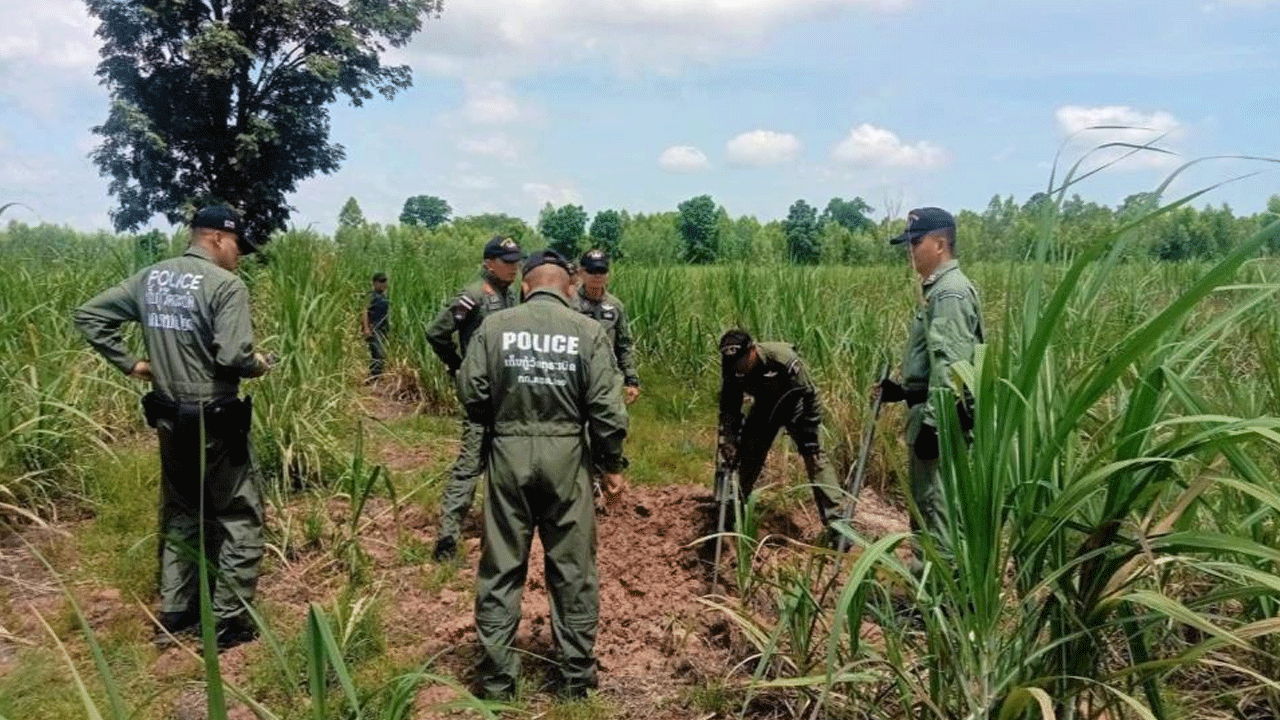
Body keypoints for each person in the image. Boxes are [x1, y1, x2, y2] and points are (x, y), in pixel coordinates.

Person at [73, 205, 272, 651]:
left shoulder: (151, 278)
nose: (240, 255)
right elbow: (233, 356)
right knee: (239, 514)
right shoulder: (226, 285)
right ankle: (228, 621)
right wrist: (259, 364)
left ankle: (177, 610)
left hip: (167, 415)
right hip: (215, 418)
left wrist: (132, 364)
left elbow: (89, 315)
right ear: (217, 238)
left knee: (182, 509)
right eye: (237, 245)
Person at [459, 249, 628, 699]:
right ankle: (575, 680)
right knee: (573, 570)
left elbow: (472, 394)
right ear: (569, 289)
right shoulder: (588, 331)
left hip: (508, 452)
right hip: (567, 455)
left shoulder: (494, 327)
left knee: (501, 568)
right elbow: (607, 411)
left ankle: (497, 682)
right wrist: (611, 465)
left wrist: (503, 419)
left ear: (526, 287)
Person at [876, 207, 984, 535]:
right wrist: (904, 391)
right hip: (931, 411)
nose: (910, 251)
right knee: (928, 508)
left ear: (939, 244)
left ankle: (935, 570)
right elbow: (938, 361)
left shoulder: (949, 292)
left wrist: (934, 427)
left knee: (937, 512)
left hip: (942, 421)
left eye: (915, 242)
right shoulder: (938, 290)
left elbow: (952, 366)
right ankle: (928, 567)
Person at [426, 235, 523, 561]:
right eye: (507, 263)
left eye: (516, 262)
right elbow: (436, 332)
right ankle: (448, 535)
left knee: (507, 459)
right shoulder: (473, 295)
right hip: (481, 392)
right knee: (471, 461)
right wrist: (458, 365)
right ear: (489, 263)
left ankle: (502, 524)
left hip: (506, 392)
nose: (514, 268)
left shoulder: (510, 295)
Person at [717, 330, 842, 528]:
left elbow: (810, 394)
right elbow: (729, 408)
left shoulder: (781, 358)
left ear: (752, 350)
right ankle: (732, 515)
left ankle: (837, 523)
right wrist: (730, 439)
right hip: (764, 407)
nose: (738, 366)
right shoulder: (730, 368)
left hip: (795, 403)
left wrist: (810, 427)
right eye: (734, 363)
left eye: (742, 360)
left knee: (814, 456)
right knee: (747, 454)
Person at [575, 250, 641, 404]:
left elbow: (623, 345)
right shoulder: (569, 303)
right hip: (575, 375)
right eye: (592, 271)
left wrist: (631, 380)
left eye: (602, 270)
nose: (597, 275)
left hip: (606, 377)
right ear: (581, 273)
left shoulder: (615, 306)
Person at [361, 272, 389, 379]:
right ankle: (375, 378)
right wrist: (366, 329)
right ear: (374, 283)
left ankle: (376, 377)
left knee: (380, 354)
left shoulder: (383, 296)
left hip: (382, 329)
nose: (383, 284)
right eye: (380, 281)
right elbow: (364, 312)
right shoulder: (371, 296)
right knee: (377, 353)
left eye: (384, 281)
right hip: (374, 329)